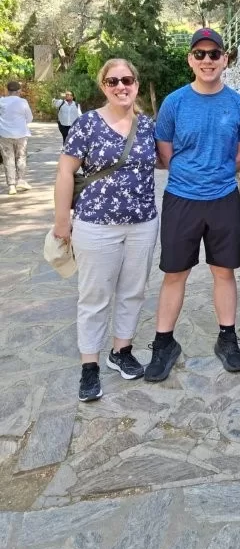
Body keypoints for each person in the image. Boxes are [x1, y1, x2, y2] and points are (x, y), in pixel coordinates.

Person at [144, 28, 240, 382]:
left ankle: (227, 339)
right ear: (190, 59)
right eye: (200, 54)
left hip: (223, 199)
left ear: (225, 59)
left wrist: (219, 172)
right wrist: (191, 174)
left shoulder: (238, 105)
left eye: (214, 54)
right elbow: (165, 151)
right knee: (175, 273)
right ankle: (164, 343)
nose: (207, 60)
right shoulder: (174, 103)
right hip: (182, 198)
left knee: (224, 271)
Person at [53, 59, 159, 402]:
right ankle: (90, 366)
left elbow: (165, 160)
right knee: (94, 296)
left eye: (126, 80)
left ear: (136, 84)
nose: (120, 86)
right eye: (113, 81)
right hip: (96, 225)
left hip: (142, 223)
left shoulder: (148, 126)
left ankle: (121, 351)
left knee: (133, 291)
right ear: (103, 86)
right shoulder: (86, 124)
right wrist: (61, 220)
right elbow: (65, 172)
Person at [0, 81, 33, 195]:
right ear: (19, 91)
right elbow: (29, 118)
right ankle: (21, 181)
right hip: (21, 134)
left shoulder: (1, 101)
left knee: (8, 159)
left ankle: (11, 186)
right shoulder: (23, 102)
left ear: (7, 90)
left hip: (4, 134)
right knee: (21, 157)